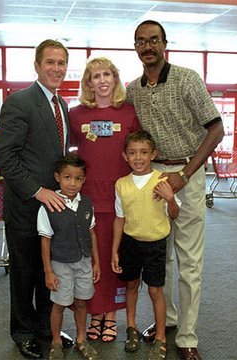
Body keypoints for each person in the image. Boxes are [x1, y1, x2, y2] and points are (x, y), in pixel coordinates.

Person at [126, 20, 224, 360]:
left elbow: (216, 129)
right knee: (159, 256)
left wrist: (184, 173)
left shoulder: (186, 79)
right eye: (141, 41)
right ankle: (166, 320)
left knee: (189, 261)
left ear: (165, 43)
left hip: (189, 174)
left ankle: (187, 336)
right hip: (154, 178)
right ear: (136, 47)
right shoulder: (134, 89)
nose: (148, 46)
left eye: (154, 40)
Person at [0, 39, 73, 359]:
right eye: (50, 62)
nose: (56, 68)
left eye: (62, 63)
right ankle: (23, 333)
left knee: (46, 273)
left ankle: (44, 327)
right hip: (26, 206)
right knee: (25, 274)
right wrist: (37, 190)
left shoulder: (62, 105)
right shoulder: (20, 102)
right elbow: (4, 156)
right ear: (37, 66)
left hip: (53, 209)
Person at [69, 57, 140, 342]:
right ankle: (94, 313)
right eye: (96, 76)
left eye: (107, 74)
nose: (102, 80)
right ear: (88, 82)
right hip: (87, 199)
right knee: (89, 259)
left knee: (115, 258)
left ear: (115, 78)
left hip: (120, 198)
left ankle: (110, 314)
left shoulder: (130, 114)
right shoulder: (76, 115)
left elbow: (138, 153)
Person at [111, 130, 179, 360]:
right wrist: (114, 250)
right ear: (125, 156)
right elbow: (119, 218)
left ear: (153, 154)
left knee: (155, 290)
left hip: (156, 243)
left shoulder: (162, 180)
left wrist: (170, 198)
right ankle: (131, 327)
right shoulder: (121, 184)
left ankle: (160, 337)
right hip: (130, 243)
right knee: (131, 285)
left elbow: (175, 214)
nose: (138, 158)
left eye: (143, 152)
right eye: (132, 153)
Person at [38, 154, 101, 360]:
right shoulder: (48, 206)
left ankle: (81, 339)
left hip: (84, 262)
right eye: (67, 177)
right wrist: (48, 272)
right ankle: (56, 342)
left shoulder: (87, 204)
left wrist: (96, 263)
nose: (72, 183)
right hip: (60, 265)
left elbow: (91, 234)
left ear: (84, 180)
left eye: (78, 178)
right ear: (58, 177)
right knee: (60, 304)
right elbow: (45, 240)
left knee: (82, 302)